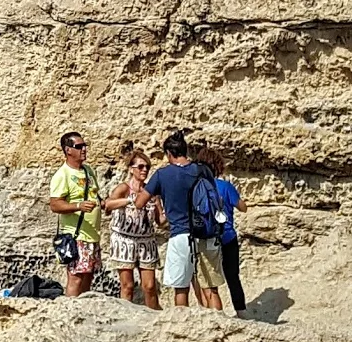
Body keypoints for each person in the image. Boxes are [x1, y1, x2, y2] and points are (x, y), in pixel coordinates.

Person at [135, 131, 223, 309]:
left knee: (181, 289)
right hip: (206, 234)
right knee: (211, 288)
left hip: (181, 235)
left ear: (169, 153)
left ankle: (183, 323)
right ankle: (218, 323)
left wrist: (159, 199)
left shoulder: (162, 175)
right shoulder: (202, 170)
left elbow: (139, 203)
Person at [103, 145, 163, 309]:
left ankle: (155, 317)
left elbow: (160, 220)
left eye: (147, 167)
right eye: (141, 167)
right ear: (131, 169)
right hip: (125, 240)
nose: (144, 170)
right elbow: (108, 205)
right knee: (127, 285)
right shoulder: (123, 188)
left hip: (146, 241)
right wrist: (130, 201)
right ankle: (125, 315)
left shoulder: (151, 192)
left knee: (150, 286)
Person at [47, 131, 102, 296]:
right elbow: (55, 204)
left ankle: (82, 308)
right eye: (79, 146)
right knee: (76, 277)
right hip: (76, 235)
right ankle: (70, 308)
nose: (84, 149)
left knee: (88, 276)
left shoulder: (88, 170)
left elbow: (94, 194)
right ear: (68, 150)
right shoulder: (62, 174)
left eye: (84, 145)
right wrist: (78, 206)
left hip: (92, 235)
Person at [198, 146, 247, 318]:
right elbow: (243, 207)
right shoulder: (225, 186)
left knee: (210, 281)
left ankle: (213, 314)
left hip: (208, 238)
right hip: (228, 237)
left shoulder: (199, 187)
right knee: (233, 277)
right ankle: (241, 312)